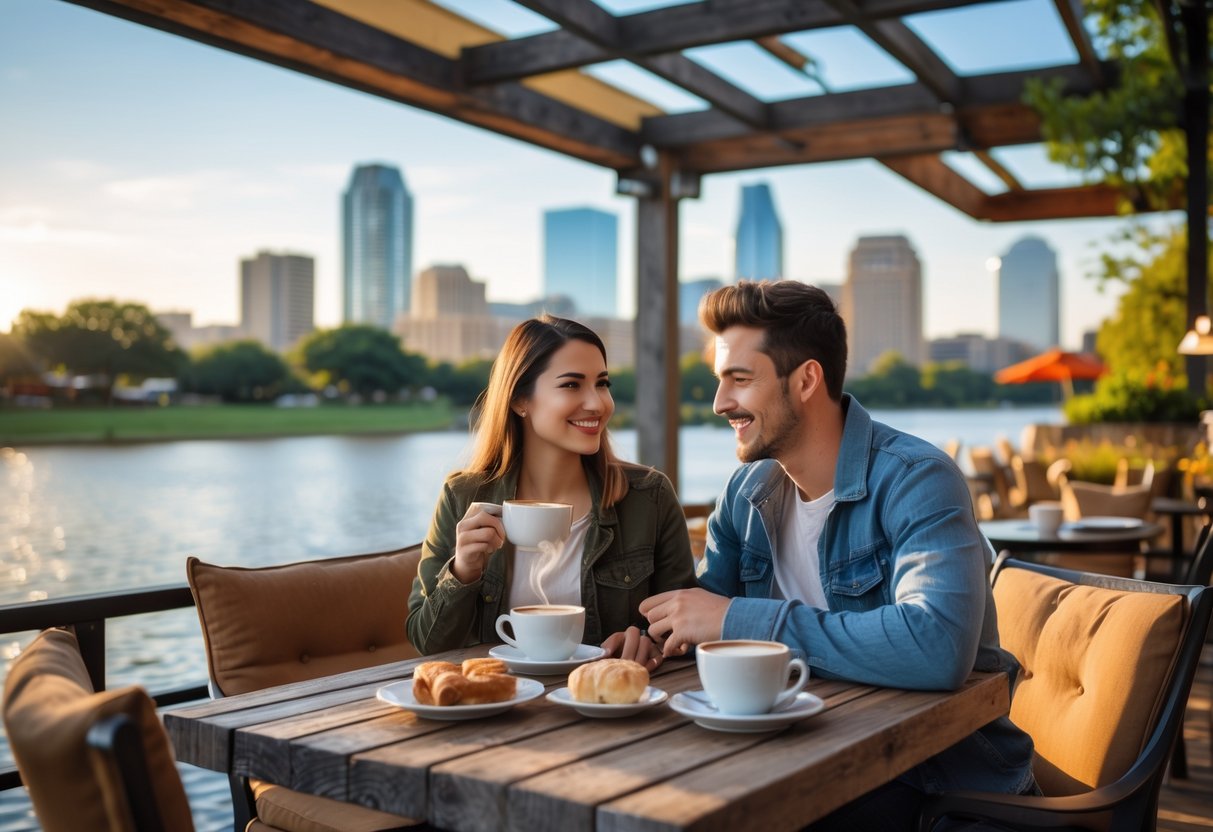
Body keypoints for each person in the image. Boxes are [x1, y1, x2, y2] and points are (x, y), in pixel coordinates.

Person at [640, 280, 1035, 829]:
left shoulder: (917, 479)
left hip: (936, 783)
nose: (719, 403)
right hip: (798, 751)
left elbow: (936, 646)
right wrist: (658, 634)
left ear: (805, 379)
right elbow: (710, 607)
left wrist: (738, 619)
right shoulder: (744, 493)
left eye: (740, 379)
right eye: (718, 381)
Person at [408, 315, 696, 671]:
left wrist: (650, 642)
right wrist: (463, 572)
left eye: (602, 383)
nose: (597, 403)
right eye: (572, 385)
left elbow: (686, 623)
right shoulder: (462, 496)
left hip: (606, 704)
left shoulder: (648, 496)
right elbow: (427, 642)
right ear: (519, 400)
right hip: (504, 705)